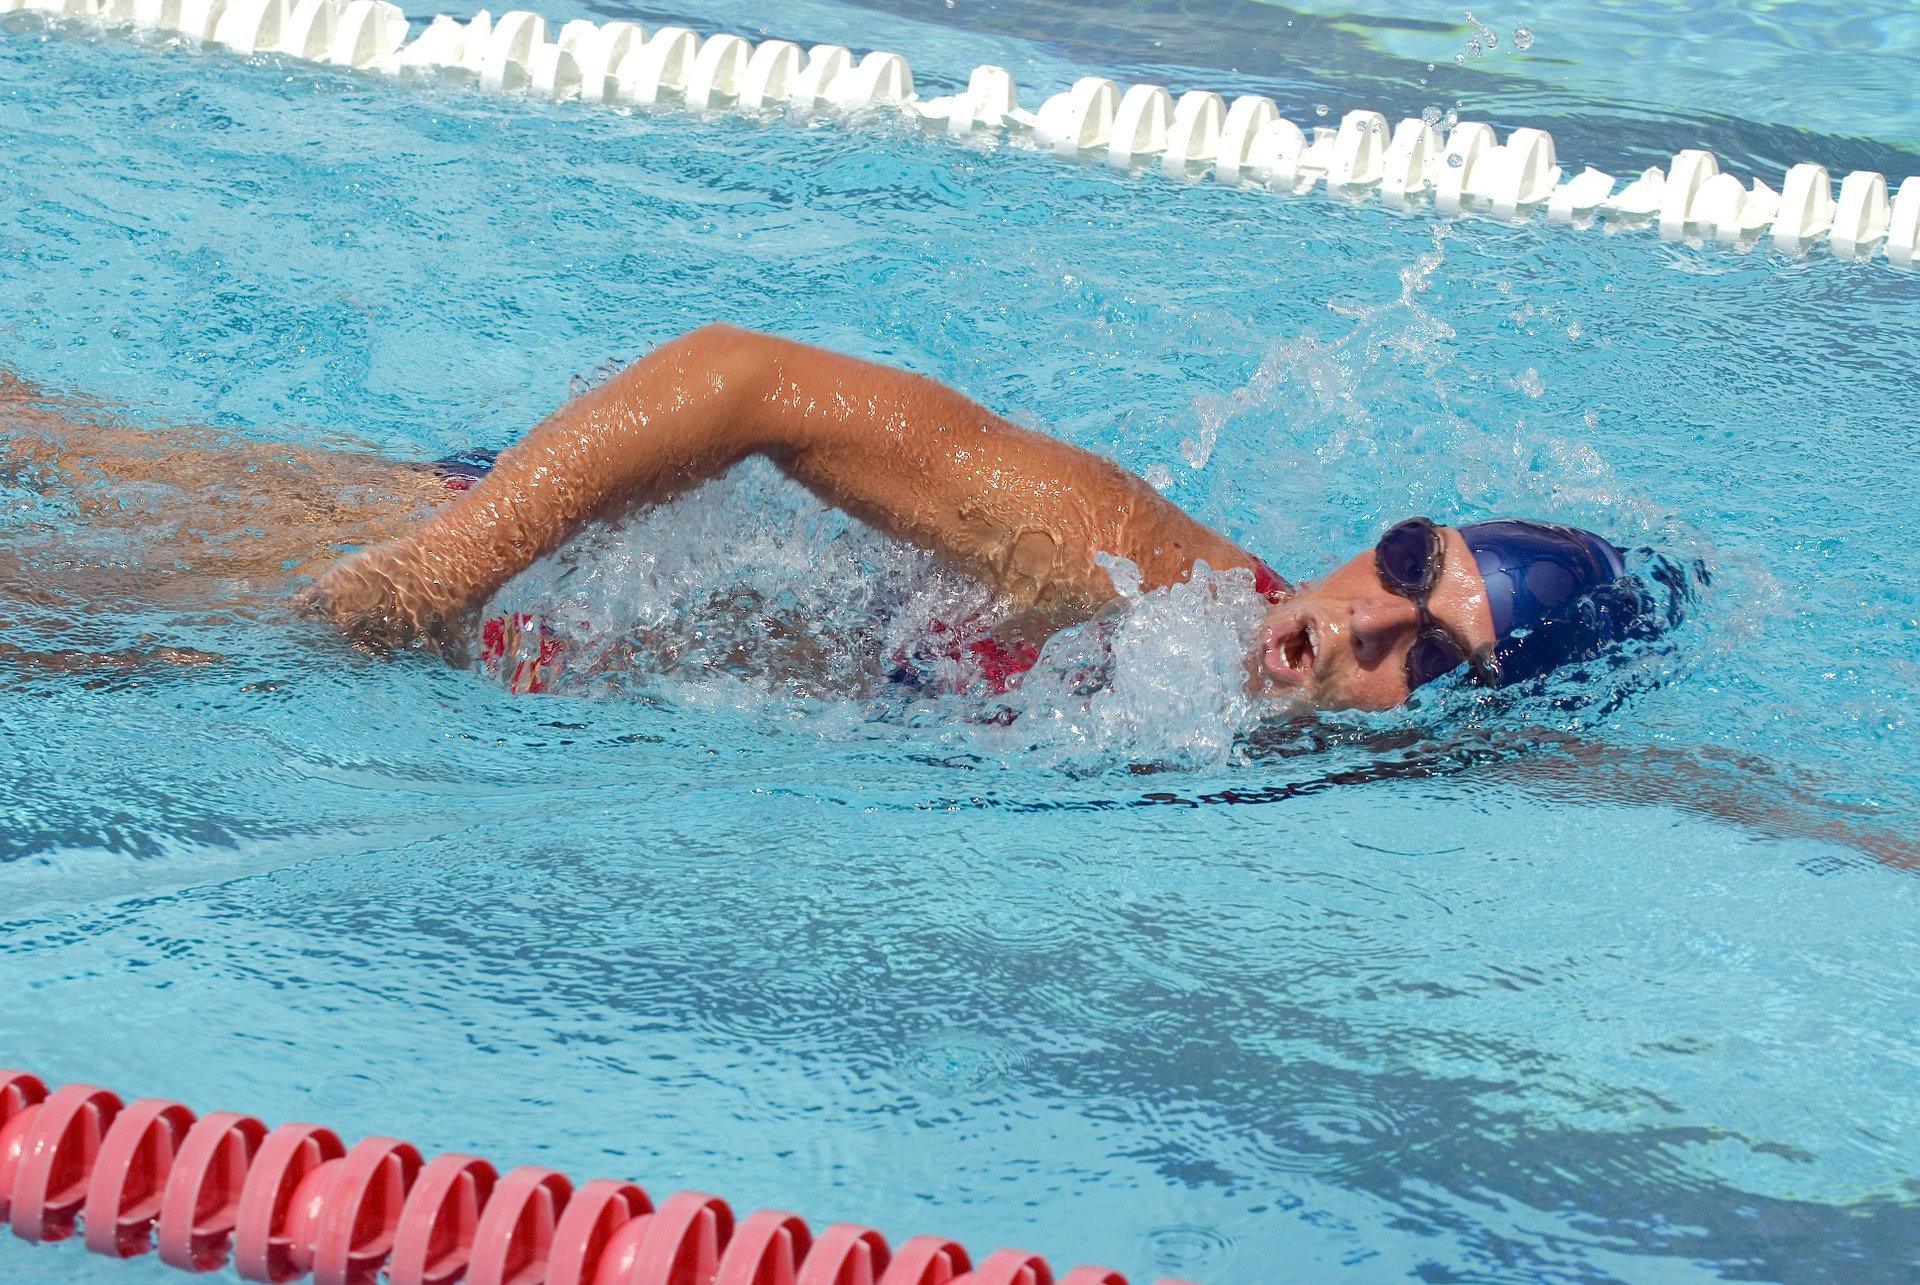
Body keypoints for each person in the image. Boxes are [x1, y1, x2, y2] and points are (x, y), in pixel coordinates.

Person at [300, 323, 1665, 709]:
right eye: (1414, 564)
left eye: (1434, 656)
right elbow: (742, 376)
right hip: (492, 556)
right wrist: (435, 581)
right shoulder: (1130, 572)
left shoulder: (1235, 735)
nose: (1366, 618)